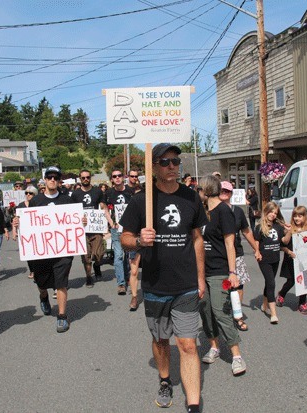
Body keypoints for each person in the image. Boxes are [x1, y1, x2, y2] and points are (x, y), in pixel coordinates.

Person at [120, 143, 207, 413]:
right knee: (161, 341)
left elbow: (197, 239)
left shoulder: (191, 197)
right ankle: (165, 379)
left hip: (186, 285)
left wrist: (201, 278)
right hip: (156, 285)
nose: (172, 166)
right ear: (154, 166)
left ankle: (193, 404)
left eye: (176, 161)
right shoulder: (141, 200)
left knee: (188, 344)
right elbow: (124, 238)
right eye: (166, 162)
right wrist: (137, 240)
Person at [199, 175, 248, 377]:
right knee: (206, 311)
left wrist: (233, 272)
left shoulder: (223, 211)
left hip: (220, 270)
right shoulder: (202, 212)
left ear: (206, 190)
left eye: (199, 189)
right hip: (202, 270)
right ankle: (214, 346)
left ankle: (236, 355)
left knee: (221, 311)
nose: (197, 192)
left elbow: (230, 243)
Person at [26, 166, 79, 333]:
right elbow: (29, 224)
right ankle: (43, 297)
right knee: (41, 282)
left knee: (61, 282)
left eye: (56, 178)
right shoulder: (36, 201)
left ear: (59, 181)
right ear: (45, 180)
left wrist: (81, 222)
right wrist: (18, 224)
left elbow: (75, 222)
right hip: (41, 251)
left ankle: (62, 316)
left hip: (62, 251)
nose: (52, 180)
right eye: (50, 177)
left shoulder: (67, 201)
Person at [219, 181, 261, 331]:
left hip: (237, 253)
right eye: (221, 190)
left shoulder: (237, 212)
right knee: (222, 286)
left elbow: (247, 231)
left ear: (231, 194)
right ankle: (222, 315)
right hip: (219, 256)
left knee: (239, 285)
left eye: (227, 191)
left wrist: (256, 249)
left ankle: (237, 315)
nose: (224, 192)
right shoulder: (211, 211)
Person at [71, 169, 109, 286]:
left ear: (90, 178)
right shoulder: (75, 194)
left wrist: (106, 223)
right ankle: (88, 276)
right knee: (86, 256)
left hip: (96, 228)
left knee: (99, 254)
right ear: (80, 179)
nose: (86, 179)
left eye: (87, 177)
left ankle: (97, 266)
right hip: (82, 229)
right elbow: (72, 212)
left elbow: (103, 207)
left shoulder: (97, 191)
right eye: (83, 178)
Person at [254, 201, 288, 324]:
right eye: (271, 212)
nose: (273, 215)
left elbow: (283, 240)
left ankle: (264, 304)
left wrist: (289, 231)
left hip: (275, 259)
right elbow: (256, 242)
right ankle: (273, 313)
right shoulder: (259, 227)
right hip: (264, 260)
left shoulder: (278, 226)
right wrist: (257, 251)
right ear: (266, 212)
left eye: (275, 213)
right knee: (271, 283)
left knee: (269, 282)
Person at [278, 206, 307, 315]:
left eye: (299, 216)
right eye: (295, 216)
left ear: (305, 217)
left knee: (305, 281)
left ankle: (302, 303)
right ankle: (281, 294)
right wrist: (289, 252)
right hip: (291, 259)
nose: (297, 218)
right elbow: (283, 244)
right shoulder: (289, 229)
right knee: (291, 281)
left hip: (304, 260)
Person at [106, 169, 133, 295]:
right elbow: (105, 209)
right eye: (114, 176)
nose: (117, 178)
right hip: (116, 228)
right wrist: (111, 223)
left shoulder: (130, 191)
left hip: (130, 229)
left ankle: (128, 276)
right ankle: (121, 283)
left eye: (119, 175)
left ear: (123, 177)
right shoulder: (108, 193)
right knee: (118, 256)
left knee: (128, 256)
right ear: (111, 179)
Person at [14, 186, 37, 279]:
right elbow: (15, 219)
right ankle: (32, 270)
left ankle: (37, 270)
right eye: (26, 193)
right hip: (25, 233)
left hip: (36, 232)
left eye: (30, 193)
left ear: (35, 194)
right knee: (28, 253)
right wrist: (14, 231)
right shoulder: (20, 206)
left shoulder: (39, 204)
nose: (28, 195)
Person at [128, 182, 143, 311]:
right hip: (136, 242)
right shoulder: (131, 208)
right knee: (134, 271)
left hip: (150, 241)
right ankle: (134, 296)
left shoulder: (151, 207)